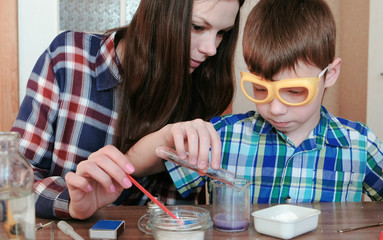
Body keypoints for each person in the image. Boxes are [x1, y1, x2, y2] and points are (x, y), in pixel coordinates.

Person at [11, 0, 244, 219]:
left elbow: (177, 216)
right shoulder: (69, 58)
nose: (211, 48)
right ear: (159, 11)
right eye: (197, 26)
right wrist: (70, 203)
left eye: (222, 32)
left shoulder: (204, 90)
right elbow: (13, 184)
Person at [165, 0, 383, 203]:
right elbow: (171, 204)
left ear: (331, 74)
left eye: (295, 91)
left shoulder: (360, 145)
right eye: (260, 89)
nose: (275, 109)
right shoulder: (220, 137)